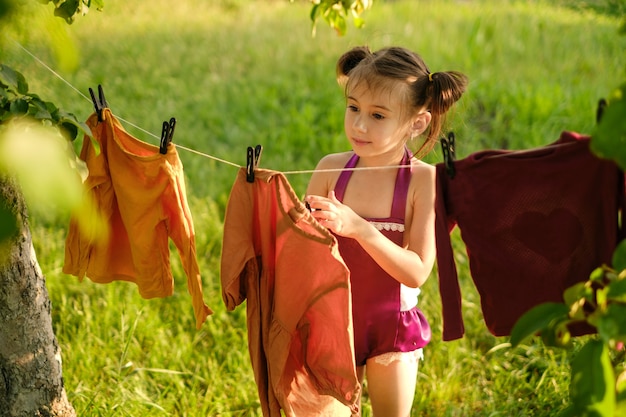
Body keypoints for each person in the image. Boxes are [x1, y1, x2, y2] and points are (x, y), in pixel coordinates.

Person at [305, 46, 468, 416]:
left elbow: (417, 270)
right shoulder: (330, 169)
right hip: (331, 321)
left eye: (378, 115)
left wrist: (359, 228)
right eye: (353, 107)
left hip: (391, 330)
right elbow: (302, 254)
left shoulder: (422, 180)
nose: (359, 125)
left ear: (417, 123)